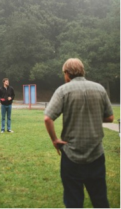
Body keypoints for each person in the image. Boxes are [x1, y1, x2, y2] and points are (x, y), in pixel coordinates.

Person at [44, 58, 114, 208]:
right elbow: (110, 117)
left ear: (67, 73)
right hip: (96, 154)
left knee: (73, 201)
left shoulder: (63, 90)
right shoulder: (100, 89)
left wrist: (55, 140)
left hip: (71, 155)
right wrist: (93, 116)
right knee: (100, 199)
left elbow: (48, 118)